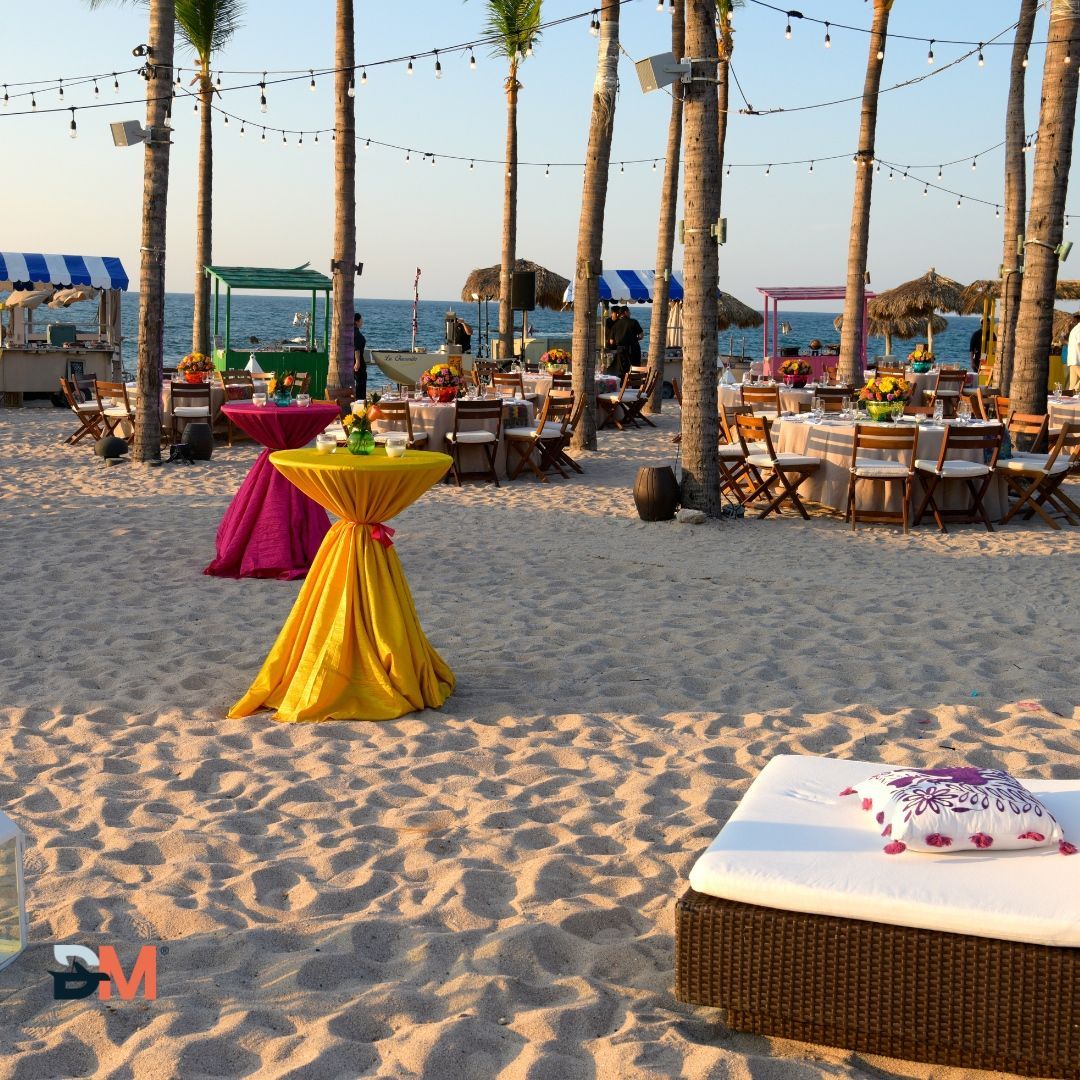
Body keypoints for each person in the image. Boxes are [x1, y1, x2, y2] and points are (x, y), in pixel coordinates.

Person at [353, 312, 367, 400]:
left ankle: (360, 401)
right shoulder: (356, 333)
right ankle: (360, 403)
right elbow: (356, 348)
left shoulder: (354, 331)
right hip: (358, 363)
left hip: (357, 361)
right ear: (357, 321)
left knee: (360, 384)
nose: (362, 322)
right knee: (360, 385)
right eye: (361, 320)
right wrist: (357, 362)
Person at [1067, 313, 1080, 391]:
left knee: (1072, 385)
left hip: (1073, 360)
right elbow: (1079, 343)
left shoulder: (1075, 329)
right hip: (1077, 360)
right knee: (1073, 386)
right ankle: (1073, 391)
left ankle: (1071, 393)